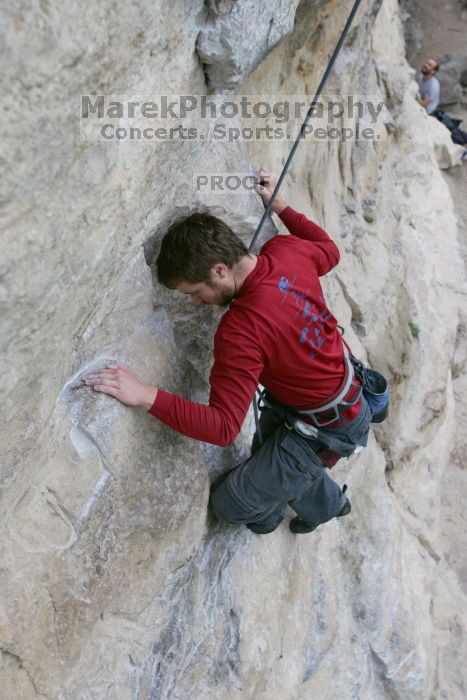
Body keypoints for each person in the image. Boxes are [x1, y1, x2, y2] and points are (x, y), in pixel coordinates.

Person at [83, 168, 376, 535]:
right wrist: (280, 206)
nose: (196, 300)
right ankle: (328, 500)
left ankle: (276, 513)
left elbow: (222, 428)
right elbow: (329, 251)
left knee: (231, 503)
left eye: (194, 291)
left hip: (328, 426)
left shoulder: (240, 331)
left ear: (219, 270)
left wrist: (145, 395)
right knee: (272, 455)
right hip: (339, 396)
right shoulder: (286, 250)